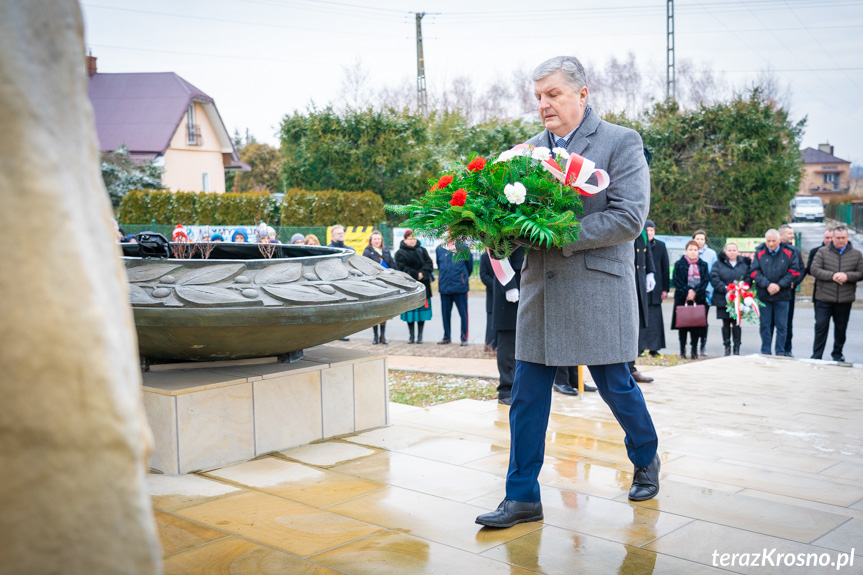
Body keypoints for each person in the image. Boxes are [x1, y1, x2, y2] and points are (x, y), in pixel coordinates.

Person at [475, 55, 659, 530]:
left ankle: (646, 457)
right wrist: (491, 226)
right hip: (542, 291)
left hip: (597, 287)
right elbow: (517, 225)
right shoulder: (526, 152)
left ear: (582, 93)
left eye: (553, 94)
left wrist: (552, 233)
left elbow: (627, 218)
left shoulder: (621, 142)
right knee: (526, 396)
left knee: (617, 387)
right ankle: (521, 498)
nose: (543, 105)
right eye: (538, 96)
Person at [809, 226, 862, 362]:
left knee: (841, 329)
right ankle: (817, 355)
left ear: (847, 238)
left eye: (843, 238)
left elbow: (861, 273)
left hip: (844, 298)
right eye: (837, 238)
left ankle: (837, 353)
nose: (840, 240)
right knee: (821, 326)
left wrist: (847, 276)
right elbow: (814, 269)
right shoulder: (822, 252)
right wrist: (832, 275)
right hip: (824, 297)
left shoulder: (856, 254)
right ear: (832, 238)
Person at [749, 229, 801, 356]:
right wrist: (768, 285)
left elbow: (794, 271)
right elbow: (754, 271)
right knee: (765, 325)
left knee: (782, 326)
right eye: (768, 241)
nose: (771, 244)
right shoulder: (759, 252)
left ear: (779, 240)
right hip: (764, 295)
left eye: (773, 241)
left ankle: (780, 352)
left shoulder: (789, 252)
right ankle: (766, 351)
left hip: (782, 295)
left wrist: (779, 285)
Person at [491, 248, 525, 405]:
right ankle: (506, 389)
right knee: (508, 342)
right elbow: (496, 249)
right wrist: (509, 285)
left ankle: (521, 387)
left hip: (529, 278)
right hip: (510, 281)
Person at [709, 242, 751, 355]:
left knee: (736, 323)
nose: (732, 252)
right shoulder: (718, 264)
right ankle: (727, 348)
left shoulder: (744, 264)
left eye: (734, 250)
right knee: (726, 323)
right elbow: (714, 278)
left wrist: (742, 287)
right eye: (729, 250)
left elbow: (748, 277)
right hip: (723, 298)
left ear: (738, 251)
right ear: (725, 252)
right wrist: (725, 289)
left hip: (739, 298)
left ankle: (736, 348)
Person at [671, 240, 710, 359]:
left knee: (696, 327)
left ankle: (694, 351)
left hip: (698, 299)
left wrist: (695, 292)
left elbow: (705, 281)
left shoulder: (703, 265)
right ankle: (682, 351)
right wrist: (687, 291)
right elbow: (676, 280)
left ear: (698, 251)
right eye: (690, 250)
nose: (693, 252)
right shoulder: (679, 264)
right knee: (683, 326)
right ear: (686, 251)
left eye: (695, 250)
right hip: (682, 298)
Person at [395, 229, 433, 344]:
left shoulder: (422, 250)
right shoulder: (400, 253)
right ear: (405, 240)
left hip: (423, 285)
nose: (412, 241)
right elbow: (401, 268)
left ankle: (420, 336)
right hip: (409, 287)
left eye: (414, 238)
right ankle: (411, 336)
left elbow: (429, 263)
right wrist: (416, 275)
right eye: (410, 239)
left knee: (421, 313)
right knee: (410, 313)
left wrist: (423, 273)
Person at [630, 225, 656, 383]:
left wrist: (650, 271)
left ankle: (630, 367)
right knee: (627, 323)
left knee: (635, 323)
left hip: (638, 279)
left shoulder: (642, 224)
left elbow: (646, 250)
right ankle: (627, 368)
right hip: (627, 276)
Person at [435, 237, 472, 346]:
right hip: (445, 287)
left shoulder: (464, 248)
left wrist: (462, 278)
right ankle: (447, 336)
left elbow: (469, 267)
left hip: (460, 287)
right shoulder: (440, 248)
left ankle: (464, 338)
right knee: (445, 314)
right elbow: (439, 264)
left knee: (463, 314)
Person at [640, 221, 669, 356]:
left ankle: (654, 347)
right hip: (642, 288)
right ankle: (640, 346)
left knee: (656, 319)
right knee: (641, 317)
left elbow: (665, 268)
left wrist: (665, 289)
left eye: (652, 230)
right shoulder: (640, 244)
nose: (649, 233)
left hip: (656, 289)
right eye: (647, 230)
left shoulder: (661, 246)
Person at [362, 229, 396, 344]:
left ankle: (383, 336)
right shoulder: (367, 252)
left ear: (381, 240)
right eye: (375, 239)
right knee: (375, 311)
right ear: (371, 241)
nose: (377, 241)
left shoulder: (386, 251)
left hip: (386, 285)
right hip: (373, 285)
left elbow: (392, 264)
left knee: (384, 312)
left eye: (379, 239)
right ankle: (375, 336)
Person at [778, 224, 804, 356]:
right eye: (790, 234)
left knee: (787, 321)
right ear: (781, 235)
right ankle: (770, 349)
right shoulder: (773, 249)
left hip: (788, 292)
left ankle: (787, 349)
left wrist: (794, 282)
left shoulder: (795, 251)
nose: (793, 236)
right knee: (770, 323)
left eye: (793, 234)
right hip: (773, 291)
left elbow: (801, 270)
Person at [691, 230, 717, 356]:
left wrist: (707, 289)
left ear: (705, 240)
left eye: (702, 239)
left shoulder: (711, 254)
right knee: (689, 321)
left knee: (702, 321)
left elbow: (714, 273)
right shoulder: (689, 252)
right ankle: (691, 347)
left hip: (705, 293)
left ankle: (703, 346)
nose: (699, 241)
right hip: (690, 294)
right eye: (697, 238)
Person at [804, 227, 833, 296]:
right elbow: (809, 270)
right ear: (823, 238)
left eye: (832, 238)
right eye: (827, 238)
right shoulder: (815, 252)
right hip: (820, 289)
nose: (829, 240)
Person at [479, 250, 497, 352]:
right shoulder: (485, 256)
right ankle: (490, 346)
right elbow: (483, 274)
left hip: (505, 293)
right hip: (492, 293)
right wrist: (495, 286)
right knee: (491, 321)